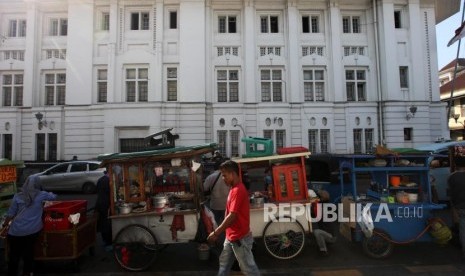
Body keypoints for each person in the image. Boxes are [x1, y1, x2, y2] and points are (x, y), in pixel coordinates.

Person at [207, 160, 260, 276]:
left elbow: (232, 216)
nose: (223, 178)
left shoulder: (238, 190)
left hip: (239, 238)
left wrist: (216, 233)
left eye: (224, 175)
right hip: (231, 237)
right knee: (224, 265)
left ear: (233, 174)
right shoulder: (233, 188)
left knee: (249, 270)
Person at [2, 175, 57, 276]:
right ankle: (27, 272)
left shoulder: (18, 196)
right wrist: (47, 192)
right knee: (29, 253)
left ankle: (12, 272)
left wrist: (5, 225)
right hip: (32, 231)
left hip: (15, 232)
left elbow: (10, 214)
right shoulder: (42, 195)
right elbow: (53, 197)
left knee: (14, 255)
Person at [447, 159, 465, 258]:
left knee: (463, 229)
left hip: (460, 207)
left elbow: (450, 194)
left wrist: (453, 209)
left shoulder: (452, 177)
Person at [312, 190, 338, 257]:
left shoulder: (323, 207)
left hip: (331, 236)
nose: (316, 198)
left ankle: (323, 251)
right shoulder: (326, 205)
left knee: (316, 232)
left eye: (318, 197)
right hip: (329, 233)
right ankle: (323, 242)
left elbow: (313, 214)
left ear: (321, 198)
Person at [94, 170, 112, 251]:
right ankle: (108, 243)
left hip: (99, 203)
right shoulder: (108, 180)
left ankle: (105, 241)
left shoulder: (101, 179)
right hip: (105, 204)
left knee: (102, 222)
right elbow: (110, 193)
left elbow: (97, 191)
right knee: (106, 223)